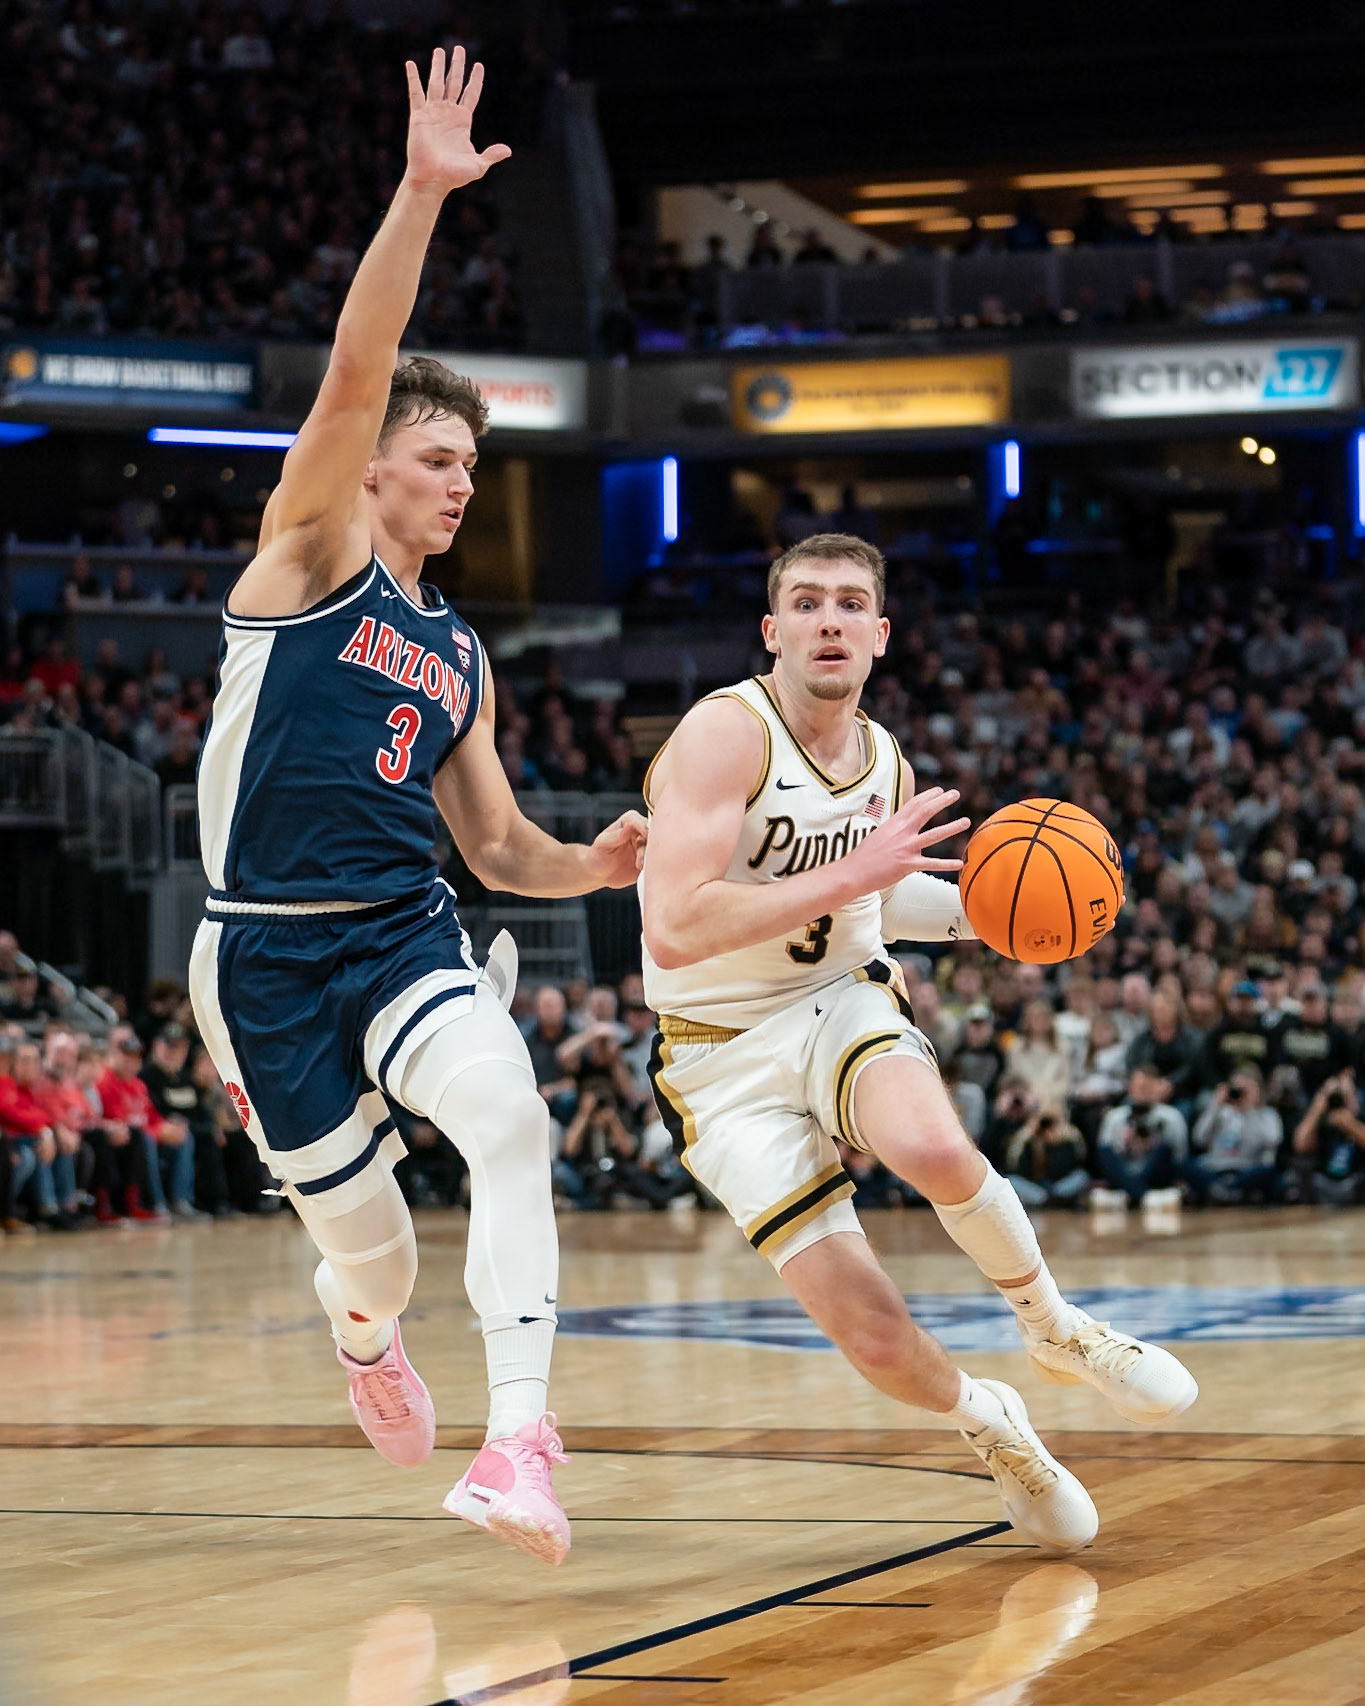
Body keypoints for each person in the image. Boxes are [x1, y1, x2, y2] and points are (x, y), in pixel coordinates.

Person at [185, 49, 645, 1569]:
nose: (461, 484)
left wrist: (597, 862)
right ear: (371, 469)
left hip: (401, 934)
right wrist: (422, 192)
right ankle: (365, 1333)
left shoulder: (459, 655)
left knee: (510, 1116)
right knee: (371, 1259)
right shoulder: (307, 558)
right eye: (439, 459)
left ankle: (519, 1441)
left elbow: (498, 848)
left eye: (472, 465)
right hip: (260, 954)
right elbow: (353, 368)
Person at [639, 531, 1196, 1558]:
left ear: (882, 634)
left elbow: (881, 899)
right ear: (772, 631)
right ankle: (993, 1424)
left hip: (836, 997)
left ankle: (1055, 1326)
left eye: (851, 603)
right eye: (807, 602)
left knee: (935, 1146)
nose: (830, 620)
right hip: (715, 1052)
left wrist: (998, 916)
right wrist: (858, 874)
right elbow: (675, 923)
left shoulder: (882, 758)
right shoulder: (725, 733)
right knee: (875, 1336)